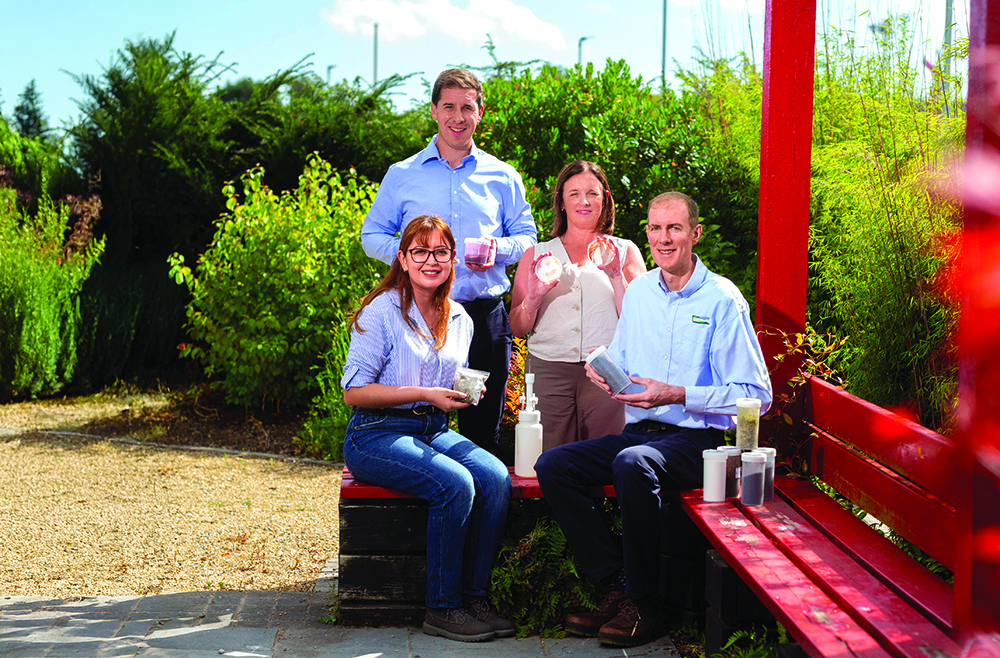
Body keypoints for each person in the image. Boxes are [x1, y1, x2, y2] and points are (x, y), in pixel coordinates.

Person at [534, 192, 772, 648]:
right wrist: (603, 371)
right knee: (554, 466)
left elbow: (757, 397)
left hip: (698, 439)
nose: (664, 239)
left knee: (633, 463)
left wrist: (676, 393)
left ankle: (645, 603)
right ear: (647, 233)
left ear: (694, 234)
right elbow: (622, 358)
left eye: (675, 228)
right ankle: (616, 586)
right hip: (640, 433)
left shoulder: (723, 299)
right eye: (656, 229)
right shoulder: (641, 291)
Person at [342, 215, 515, 642]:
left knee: (495, 478)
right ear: (402, 259)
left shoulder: (459, 317)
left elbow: (445, 385)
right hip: (375, 433)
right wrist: (425, 392)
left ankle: (474, 598)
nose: (430, 261)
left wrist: (462, 392)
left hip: (432, 428)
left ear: (453, 259)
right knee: (456, 484)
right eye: (420, 252)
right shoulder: (380, 311)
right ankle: (442, 607)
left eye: (440, 252)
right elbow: (354, 392)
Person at [361, 68, 537, 454]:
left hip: (481, 318)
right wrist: (420, 258)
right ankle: (421, 504)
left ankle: (481, 506)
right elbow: (371, 236)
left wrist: (499, 249)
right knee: (414, 423)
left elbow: (528, 240)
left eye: (467, 108)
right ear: (433, 111)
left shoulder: (503, 176)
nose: (458, 117)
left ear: (480, 112)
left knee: (480, 429)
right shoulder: (402, 174)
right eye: (449, 107)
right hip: (416, 318)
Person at [509, 160, 646, 450]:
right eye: (574, 193)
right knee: (548, 456)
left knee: (607, 456)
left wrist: (616, 275)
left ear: (605, 199)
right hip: (548, 370)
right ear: (561, 200)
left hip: (607, 369)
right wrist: (532, 297)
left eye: (592, 193)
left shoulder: (625, 251)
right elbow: (517, 327)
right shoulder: (536, 254)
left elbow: (640, 321)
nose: (583, 201)